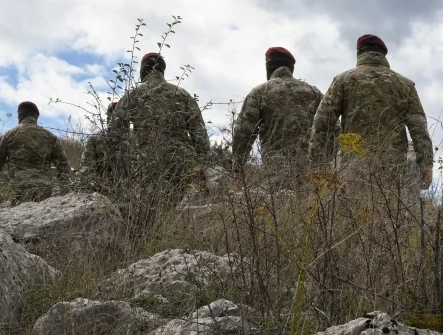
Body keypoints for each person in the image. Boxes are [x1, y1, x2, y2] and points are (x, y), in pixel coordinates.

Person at [309, 34, 433, 191]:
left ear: (359, 54)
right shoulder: (405, 84)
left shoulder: (343, 80)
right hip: (393, 168)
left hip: (353, 164)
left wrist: (317, 164)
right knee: (390, 213)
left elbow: (322, 122)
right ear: (383, 54)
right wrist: (426, 166)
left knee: (352, 211)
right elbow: (419, 129)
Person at [108, 52, 210, 213]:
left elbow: (114, 136)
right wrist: (203, 166)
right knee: (188, 217)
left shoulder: (132, 96)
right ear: (162, 71)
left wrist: (124, 169)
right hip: (184, 165)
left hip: (146, 166)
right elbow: (200, 137)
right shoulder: (182, 95)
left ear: (143, 72)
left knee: (151, 217)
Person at [232, 46, 323, 187]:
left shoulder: (260, 92)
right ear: (291, 68)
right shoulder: (314, 92)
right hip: (313, 174)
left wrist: (237, 167)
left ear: (269, 68)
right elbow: (331, 129)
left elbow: (243, 133)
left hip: (276, 173)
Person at [0, 101, 72, 203]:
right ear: (36, 117)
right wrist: (65, 192)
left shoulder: (8, 136)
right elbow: (64, 167)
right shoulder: (50, 137)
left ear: (20, 116)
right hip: (44, 191)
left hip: (18, 191)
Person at [77, 101, 118, 192]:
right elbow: (88, 167)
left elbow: (87, 168)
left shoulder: (135, 137)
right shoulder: (95, 139)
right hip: (102, 190)